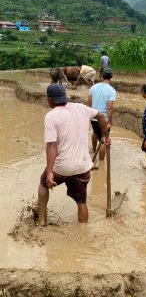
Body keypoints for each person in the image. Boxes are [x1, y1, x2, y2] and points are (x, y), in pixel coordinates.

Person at [37, 84, 110, 225]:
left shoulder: (51, 116)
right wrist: (104, 137)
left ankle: (42, 219)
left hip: (62, 167)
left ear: (50, 100)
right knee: (81, 201)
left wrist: (50, 172)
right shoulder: (82, 108)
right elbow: (101, 117)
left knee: (43, 183)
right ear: (65, 97)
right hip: (83, 166)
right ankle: (83, 230)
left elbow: (51, 145)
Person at [87, 68, 116, 160]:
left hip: (94, 117)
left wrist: (88, 116)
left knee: (95, 132)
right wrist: (109, 122)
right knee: (104, 140)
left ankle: (94, 149)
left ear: (102, 76)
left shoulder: (93, 87)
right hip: (104, 119)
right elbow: (109, 108)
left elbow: (89, 104)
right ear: (111, 78)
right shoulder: (111, 90)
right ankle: (101, 162)